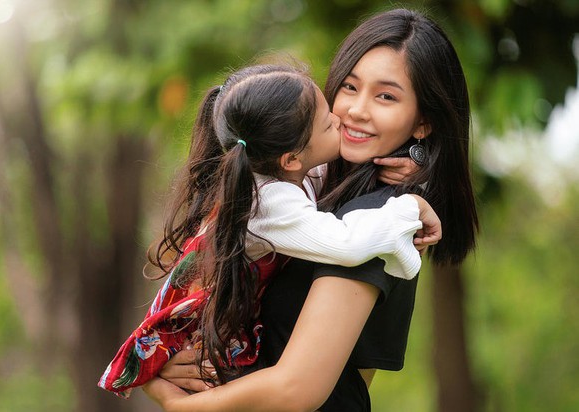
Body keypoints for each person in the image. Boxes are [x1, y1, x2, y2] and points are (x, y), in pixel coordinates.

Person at [142, 7, 479, 411]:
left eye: (386, 96)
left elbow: (297, 390)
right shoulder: (305, 190)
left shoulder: (379, 218)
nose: (356, 109)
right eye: (350, 87)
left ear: (422, 122)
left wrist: (174, 401)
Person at [98, 63, 441, 398]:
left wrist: (414, 159)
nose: (343, 118)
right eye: (328, 124)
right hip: (198, 336)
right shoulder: (270, 201)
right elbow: (346, 242)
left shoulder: (283, 172)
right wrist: (409, 208)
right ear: (291, 159)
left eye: (385, 96)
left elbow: (324, 177)